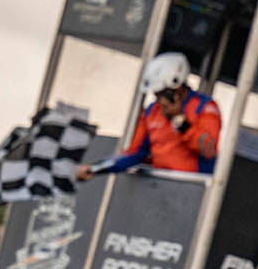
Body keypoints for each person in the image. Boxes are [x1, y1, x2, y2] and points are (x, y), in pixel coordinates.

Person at [75, 51, 221, 181]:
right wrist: (95, 169)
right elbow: (134, 153)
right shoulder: (152, 111)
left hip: (192, 189)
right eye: (156, 94)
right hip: (159, 187)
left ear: (177, 86)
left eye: (163, 92)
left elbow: (208, 150)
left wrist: (178, 120)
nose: (159, 99)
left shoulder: (204, 107)